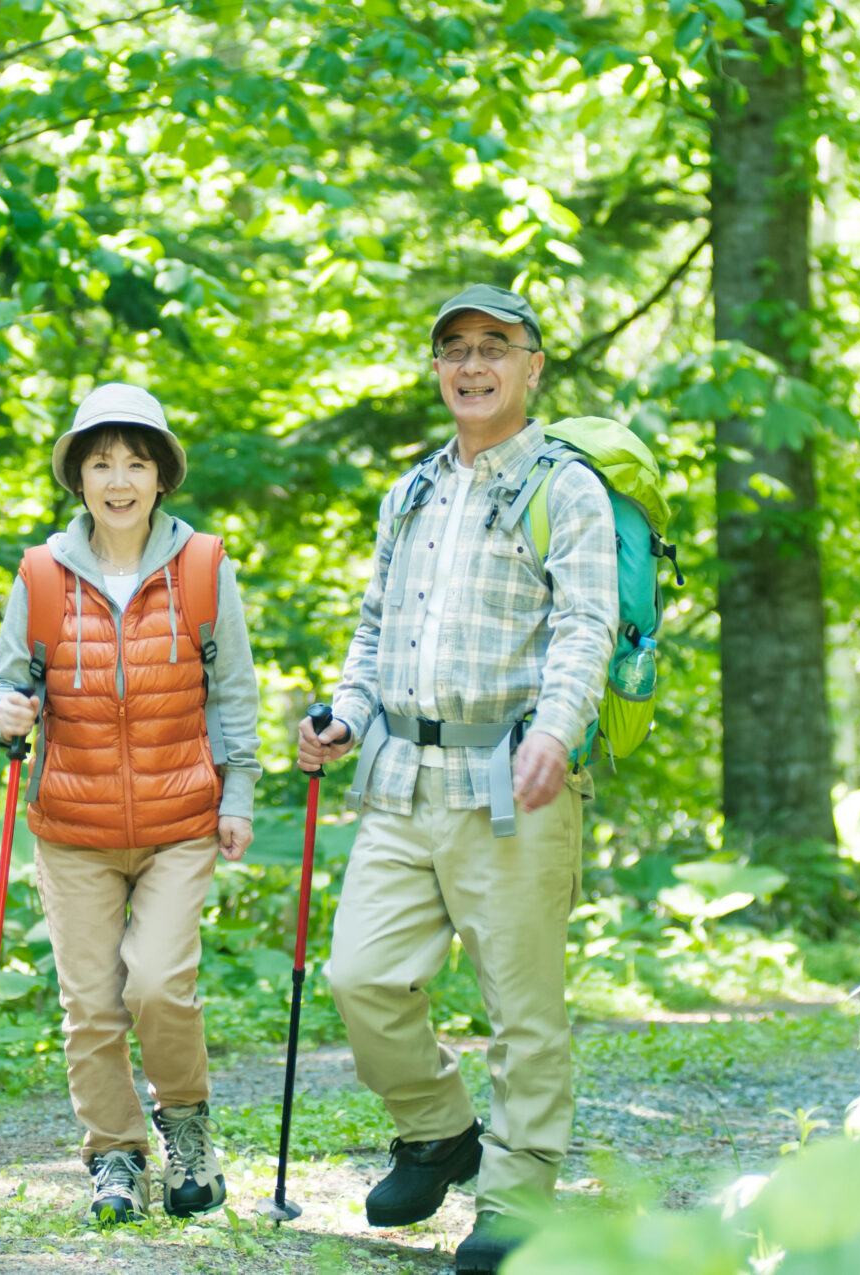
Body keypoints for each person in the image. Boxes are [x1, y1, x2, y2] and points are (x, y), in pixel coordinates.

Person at [297, 284, 618, 1272]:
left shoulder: (566, 487)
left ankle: (518, 1196)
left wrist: (555, 734)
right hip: (401, 778)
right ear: (438, 368)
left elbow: (585, 623)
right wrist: (345, 714)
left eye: (495, 347)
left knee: (522, 1008)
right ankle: (438, 1132)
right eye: (455, 350)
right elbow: (373, 628)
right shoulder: (414, 491)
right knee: (360, 976)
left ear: (533, 366)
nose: (472, 366)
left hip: (512, 780)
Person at [0, 382, 262, 1224]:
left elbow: (235, 691)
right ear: (78, 477)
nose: (118, 478)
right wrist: (4, 712)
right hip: (72, 828)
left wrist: (239, 791)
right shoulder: (39, 573)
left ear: (161, 476)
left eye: (135, 462)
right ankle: (113, 1156)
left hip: (181, 821)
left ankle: (186, 1132)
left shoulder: (204, 566)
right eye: (101, 461)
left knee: (159, 983)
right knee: (90, 1001)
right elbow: (4, 682)